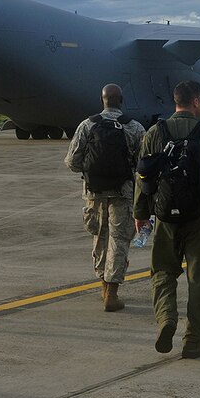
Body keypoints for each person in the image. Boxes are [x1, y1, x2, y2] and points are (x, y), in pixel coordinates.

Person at [135, 80, 200, 358]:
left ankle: (166, 319)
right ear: (197, 101)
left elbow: (143, 177)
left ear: (175, 101)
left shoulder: (154, 132)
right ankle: (193, 340)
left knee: (163, 270)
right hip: (198, 215)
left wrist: (141, 214)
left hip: (165, 215)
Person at [64, 84, 146, 311]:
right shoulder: (135, 127)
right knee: (119, 240)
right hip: (123, 192)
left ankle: (102, 282)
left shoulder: (87, 125)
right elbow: (144, 164)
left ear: (102, 101)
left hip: (94, 193)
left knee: (100, 237)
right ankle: (112, 290)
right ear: (121, 100)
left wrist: (90, 171)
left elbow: (71, 162)